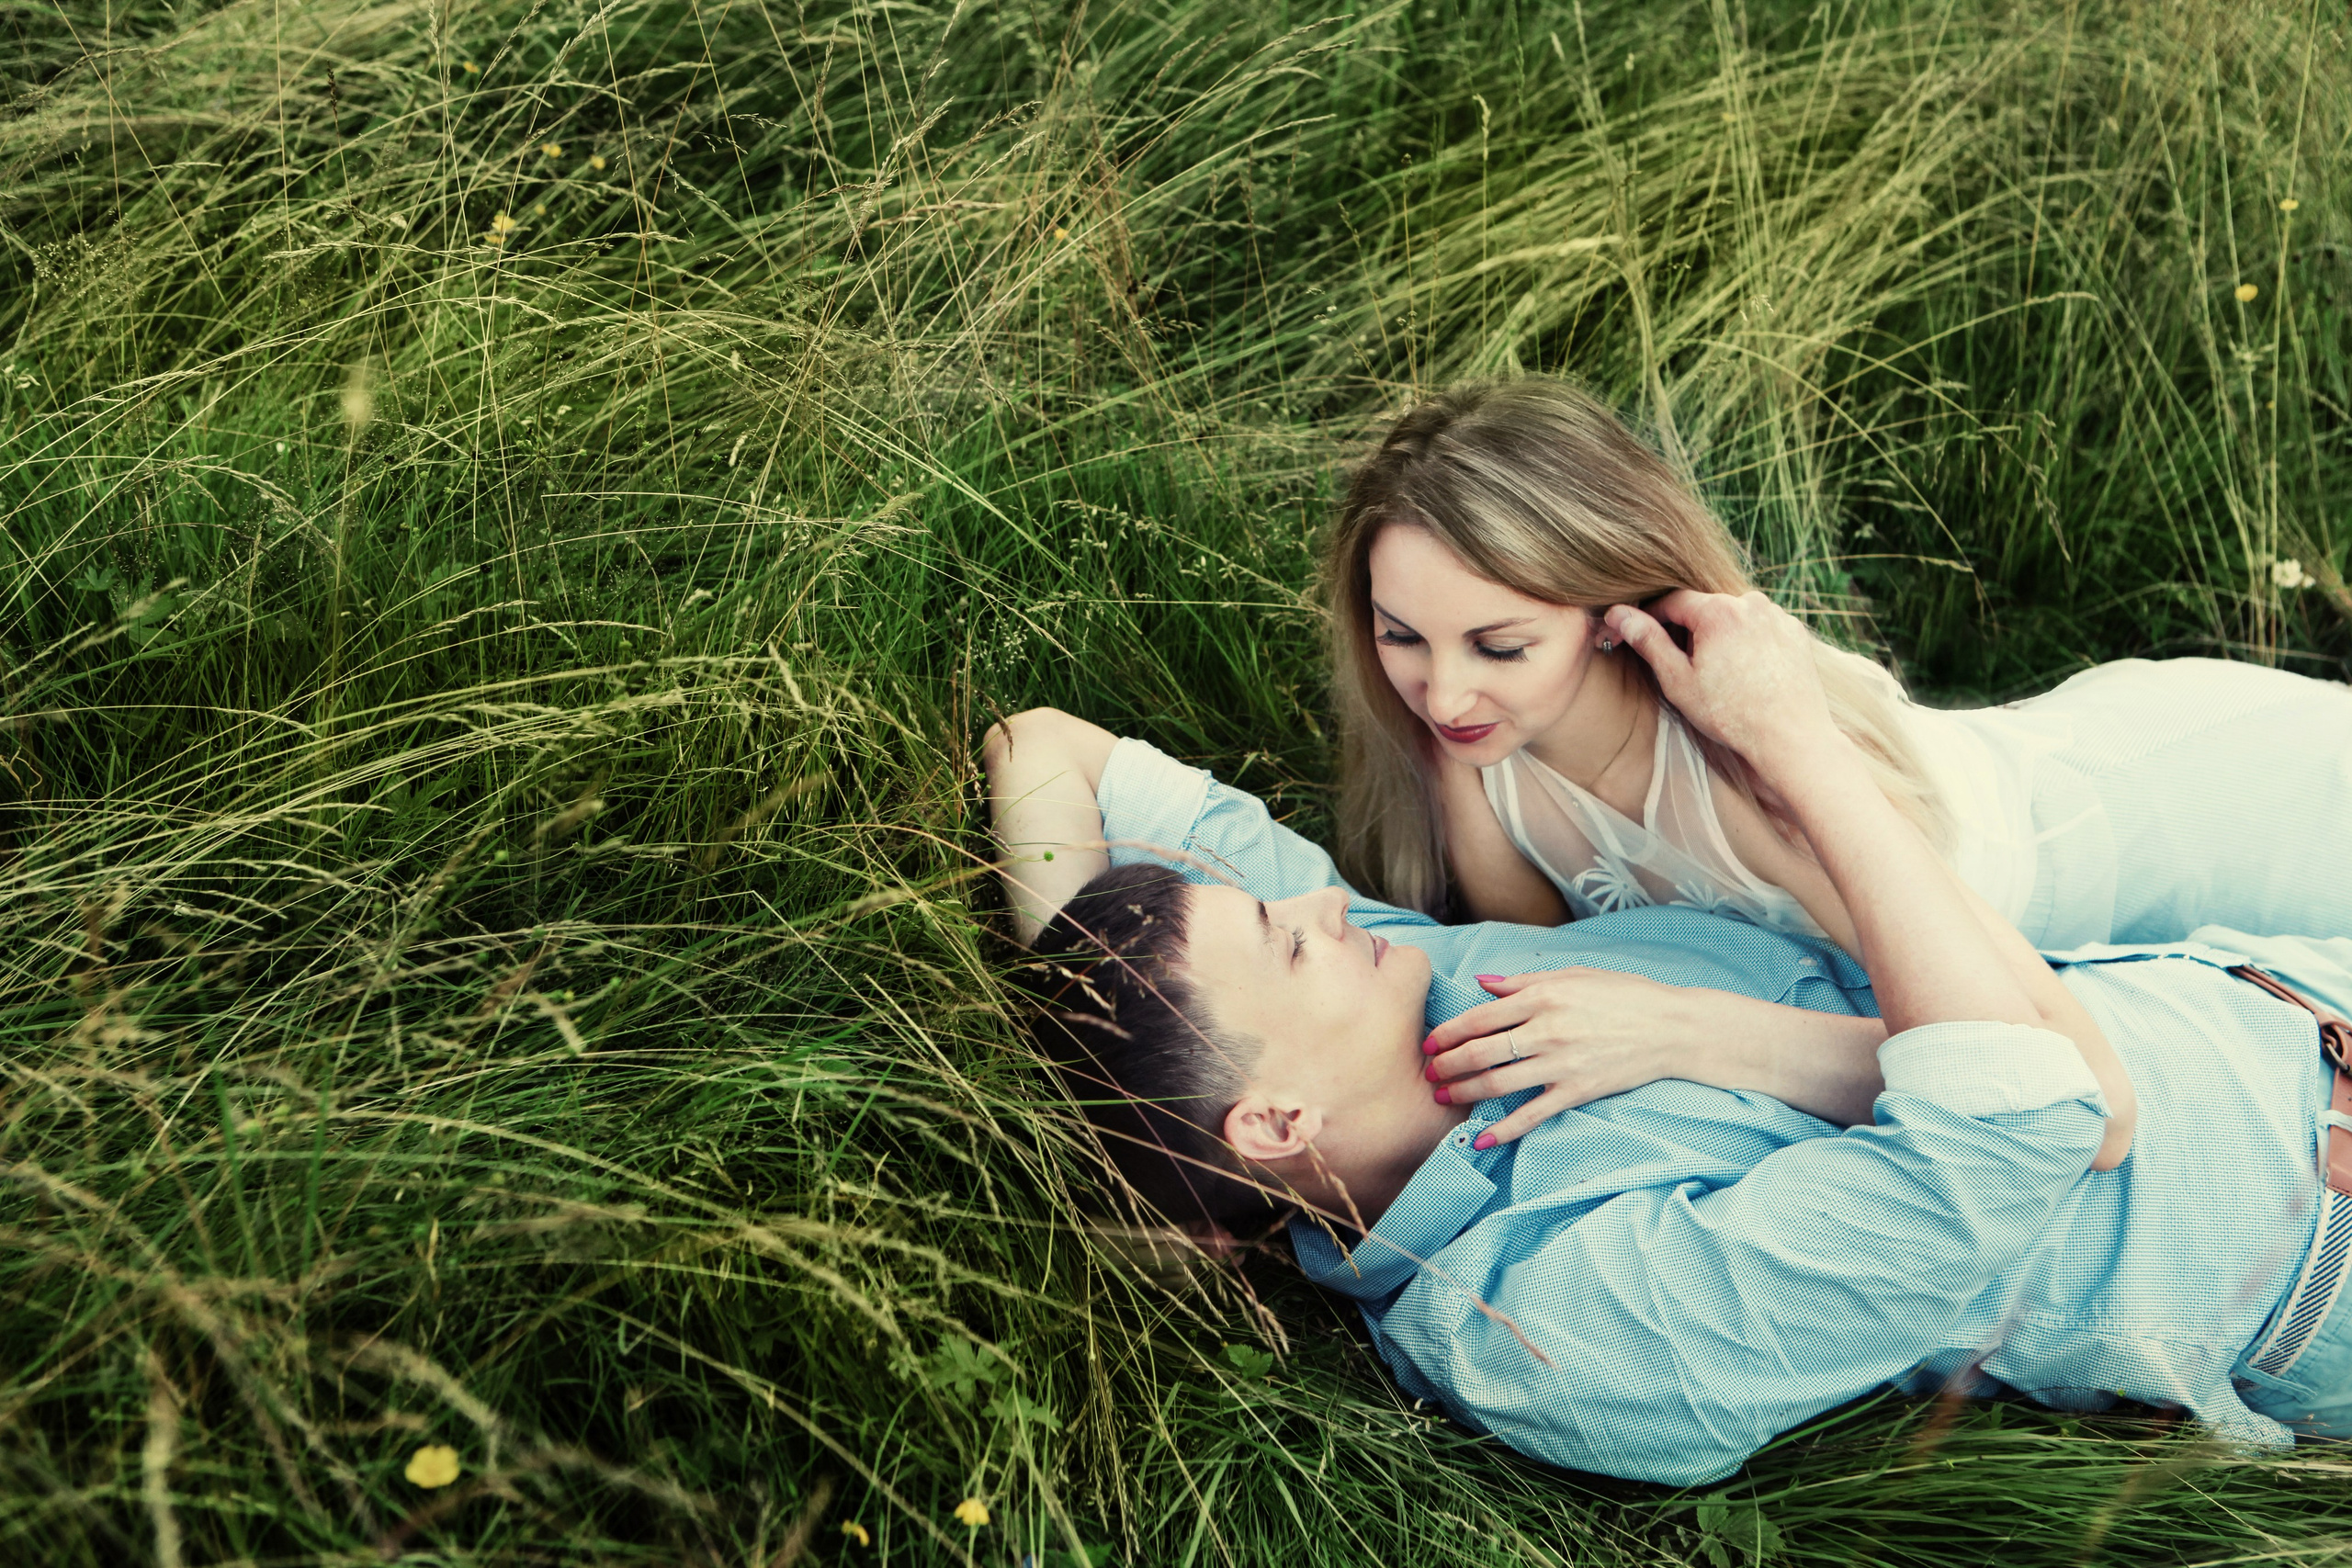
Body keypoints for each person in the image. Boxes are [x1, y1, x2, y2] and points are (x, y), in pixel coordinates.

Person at [984, 591, 2352, 1487]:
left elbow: (1050, 750)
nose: (1315, 900)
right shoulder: (1549, 1316)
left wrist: (1124, 1117)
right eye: (1282, 937)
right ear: (1279, 1124)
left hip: (2269, 985)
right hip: (2308, 1245)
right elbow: (2031, 1112)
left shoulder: (1418, 981)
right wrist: (1795, 755)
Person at [1328, 378, 2352, 963]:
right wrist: (1458, 754)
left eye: (1499, 646)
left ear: (1611, 617)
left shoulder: (1738, 763)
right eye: (1400, 634)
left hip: (2185, 807)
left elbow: (1973, 1019)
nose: (1445, 693)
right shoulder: (1478, 743)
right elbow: (1539, 958)